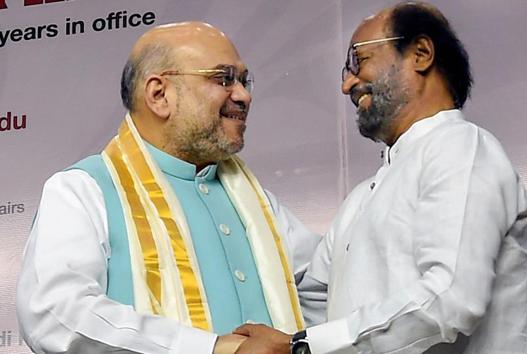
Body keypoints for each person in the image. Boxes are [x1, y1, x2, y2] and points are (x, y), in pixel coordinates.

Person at [234, 2, 527, 353]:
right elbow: (310, 310)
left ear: (421, 54)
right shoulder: (361, 200)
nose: (347, 84)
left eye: (358, 61)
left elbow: (450, 298)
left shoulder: (462, 148)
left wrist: (300, 347)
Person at [17, 22, 320, 354]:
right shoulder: (84, 191)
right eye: (223, 78)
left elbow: (326, 289)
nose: (243, 95)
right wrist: (212, 349)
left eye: (244, 80)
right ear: (159, 95)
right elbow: (56, 312)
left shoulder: (257, 204)